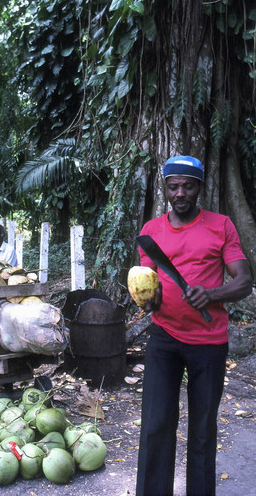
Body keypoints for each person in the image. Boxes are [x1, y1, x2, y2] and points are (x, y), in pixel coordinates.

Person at [136, 155, 253, 496]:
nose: (180, 193)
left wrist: (213, 294)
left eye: (188, 186)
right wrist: (149, 300)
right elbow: (148, 284)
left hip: (209, 342)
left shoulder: (221, 225)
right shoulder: (151, 232)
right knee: (156, 425)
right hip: (164, 339)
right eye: (173, 186)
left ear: (200, 187)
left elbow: (244, 280)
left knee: (202, 431)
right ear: (166, 189)